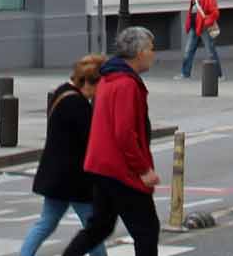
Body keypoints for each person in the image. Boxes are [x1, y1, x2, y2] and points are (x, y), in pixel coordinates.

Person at [58, 26, 159, 256]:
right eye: (151, 49)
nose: (154, 54)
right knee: (147, 230)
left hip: (102, 166)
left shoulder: (108, 79)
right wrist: (143, 169)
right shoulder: (126, 84)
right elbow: (124, 133)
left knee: (99, 227)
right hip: (120, 169)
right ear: (140, 52)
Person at [21, 55, 107, 256]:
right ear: (87, 82)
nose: (98, 93)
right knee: (93, 227)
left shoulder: (61, 92)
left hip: (56, 176)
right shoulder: (77, 105)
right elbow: (91, 140)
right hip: (74, 179)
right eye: (98, 87)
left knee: (46, 223)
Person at [178, 0, 221, 80]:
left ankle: (218, 75)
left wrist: (206, 22)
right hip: (194, 27)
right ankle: (185, 73)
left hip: (204, 28)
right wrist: (188, 23)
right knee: (188, 51)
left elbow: (215, 12)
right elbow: (191, 10)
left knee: (210, 51)